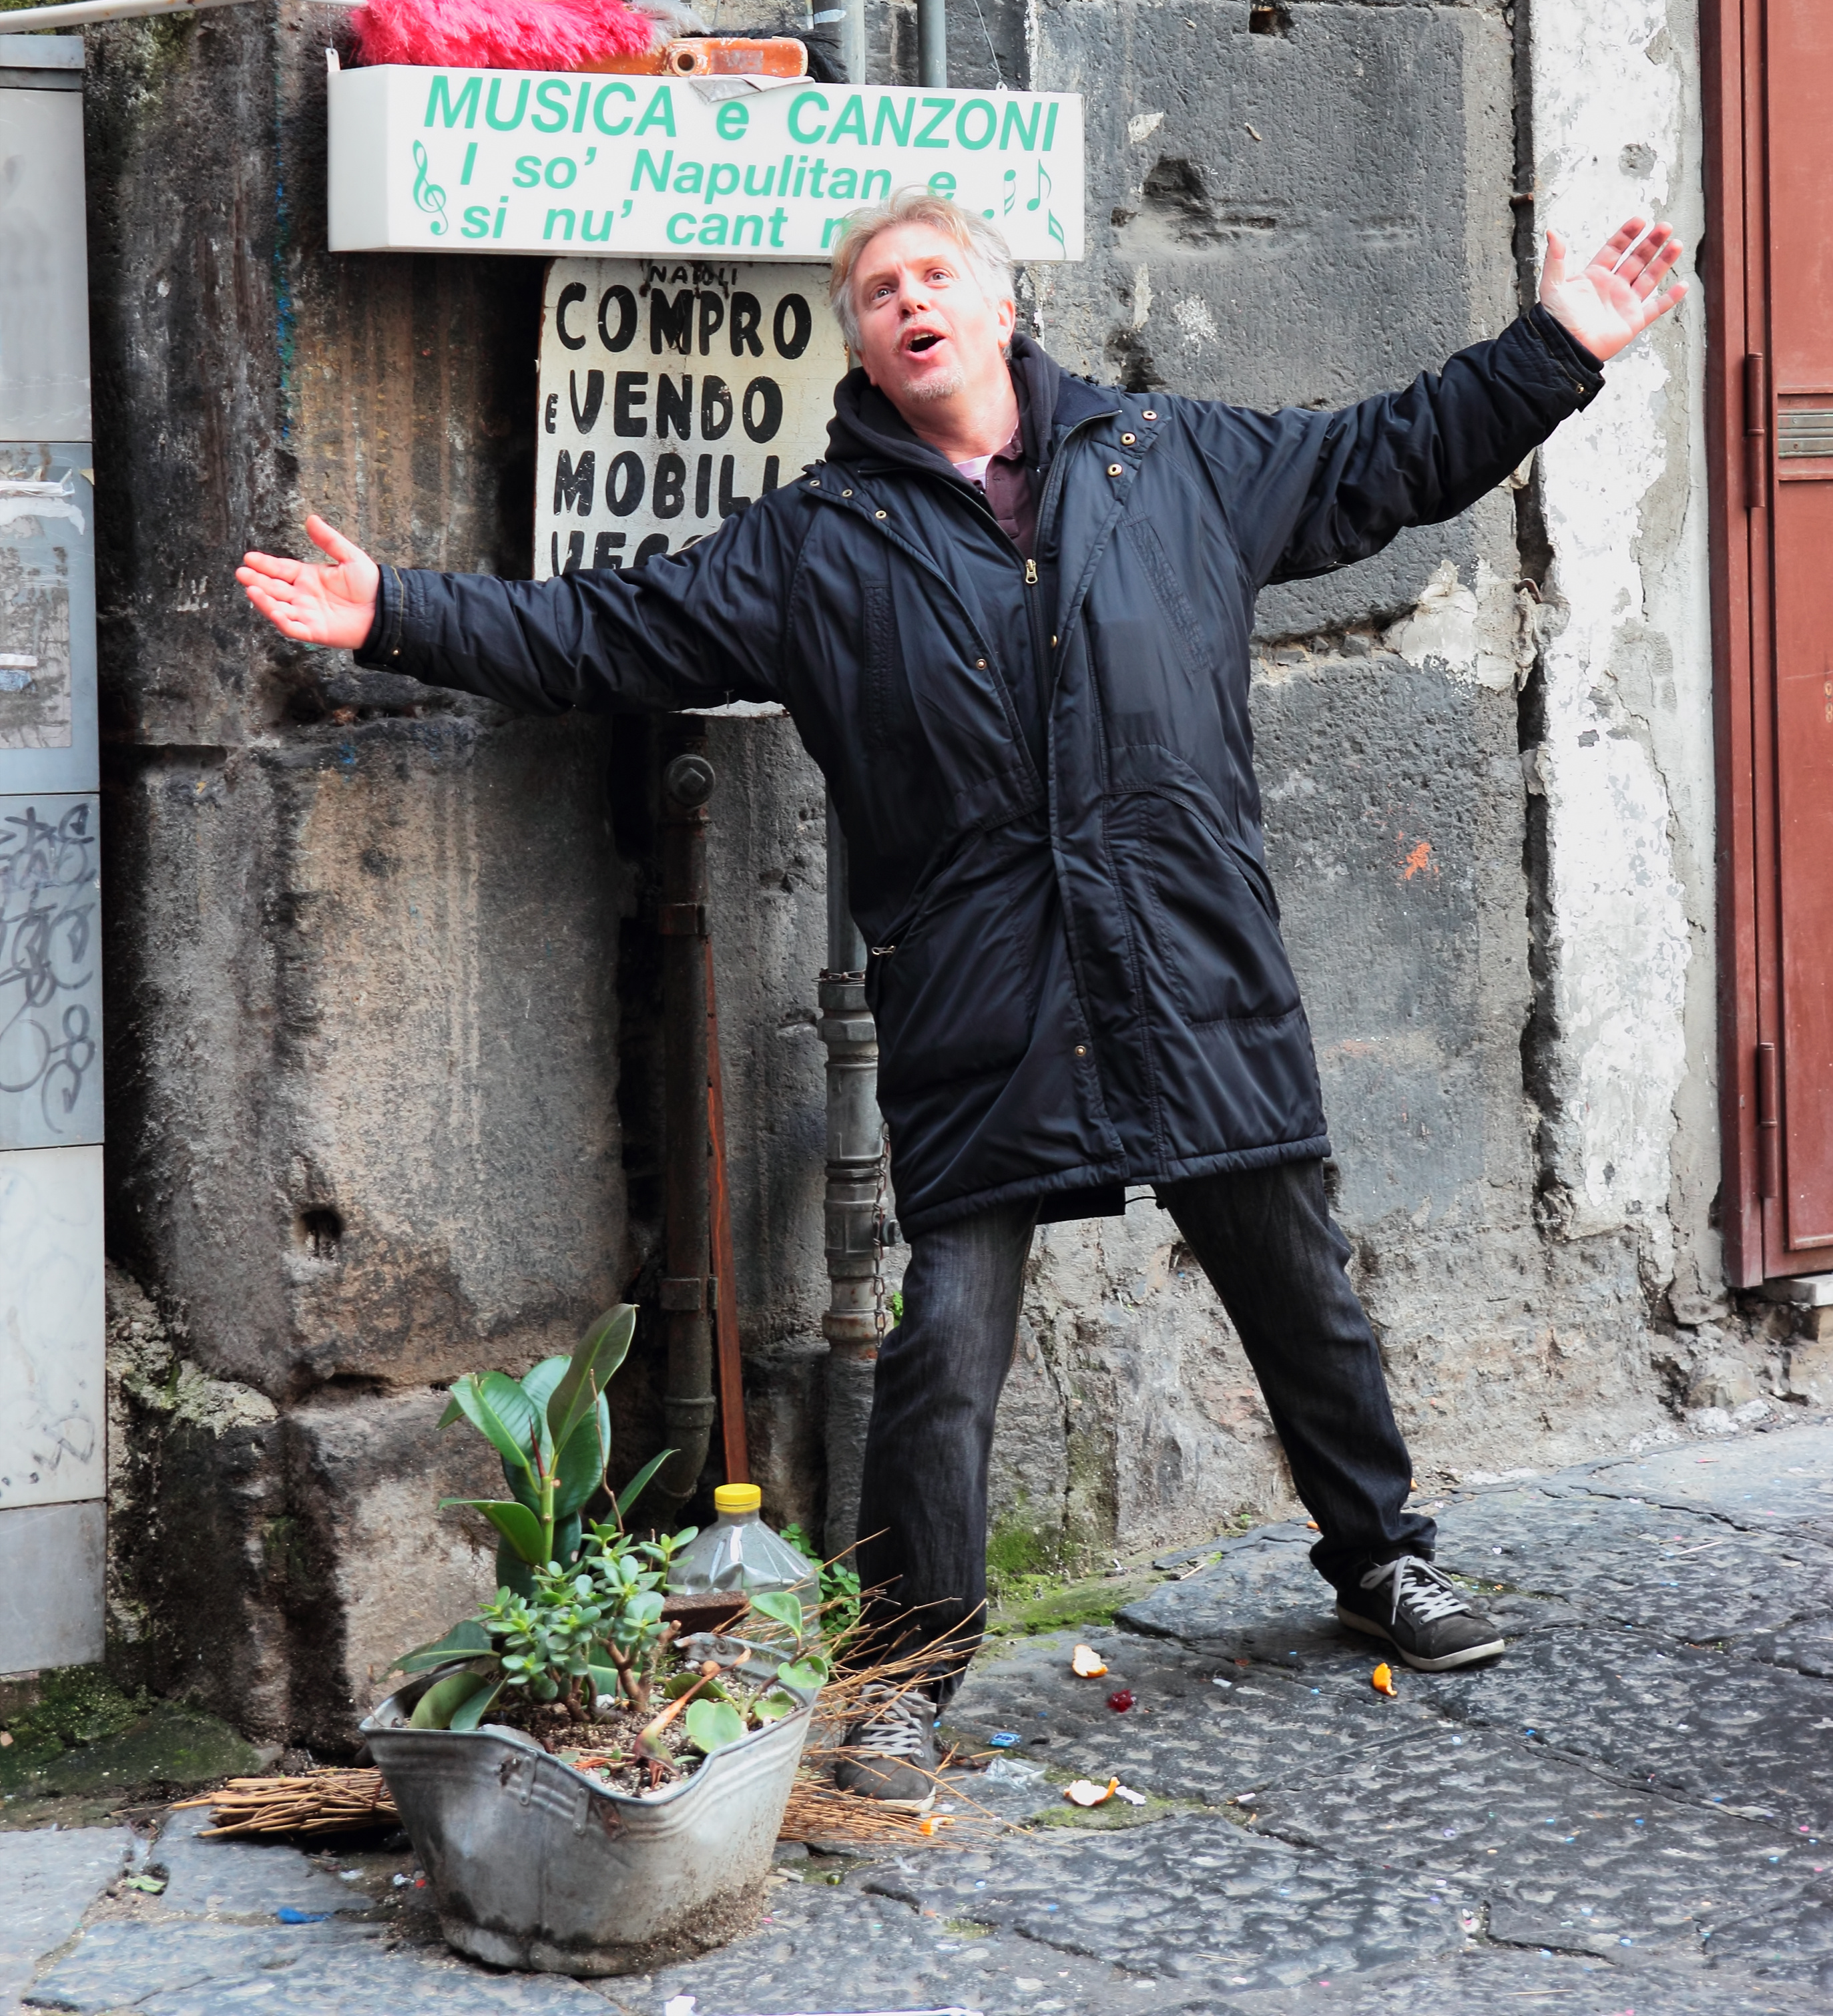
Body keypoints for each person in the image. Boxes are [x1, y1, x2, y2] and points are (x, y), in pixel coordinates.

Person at [238, 187, 1685, 1810]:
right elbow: (609, 626)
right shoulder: (819, 544)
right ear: (856, 340)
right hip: (982, 1004)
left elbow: (1388, 458)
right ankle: (911, 1668)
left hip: (1192, 963)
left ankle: (1381, 1559)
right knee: (943, 1350)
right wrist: (399, 614)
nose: (907, 302)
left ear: (1002, 309)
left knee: (1297, 1283)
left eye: (935, 277)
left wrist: (1559, 350)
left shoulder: (1172, 463)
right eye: (875, 291)